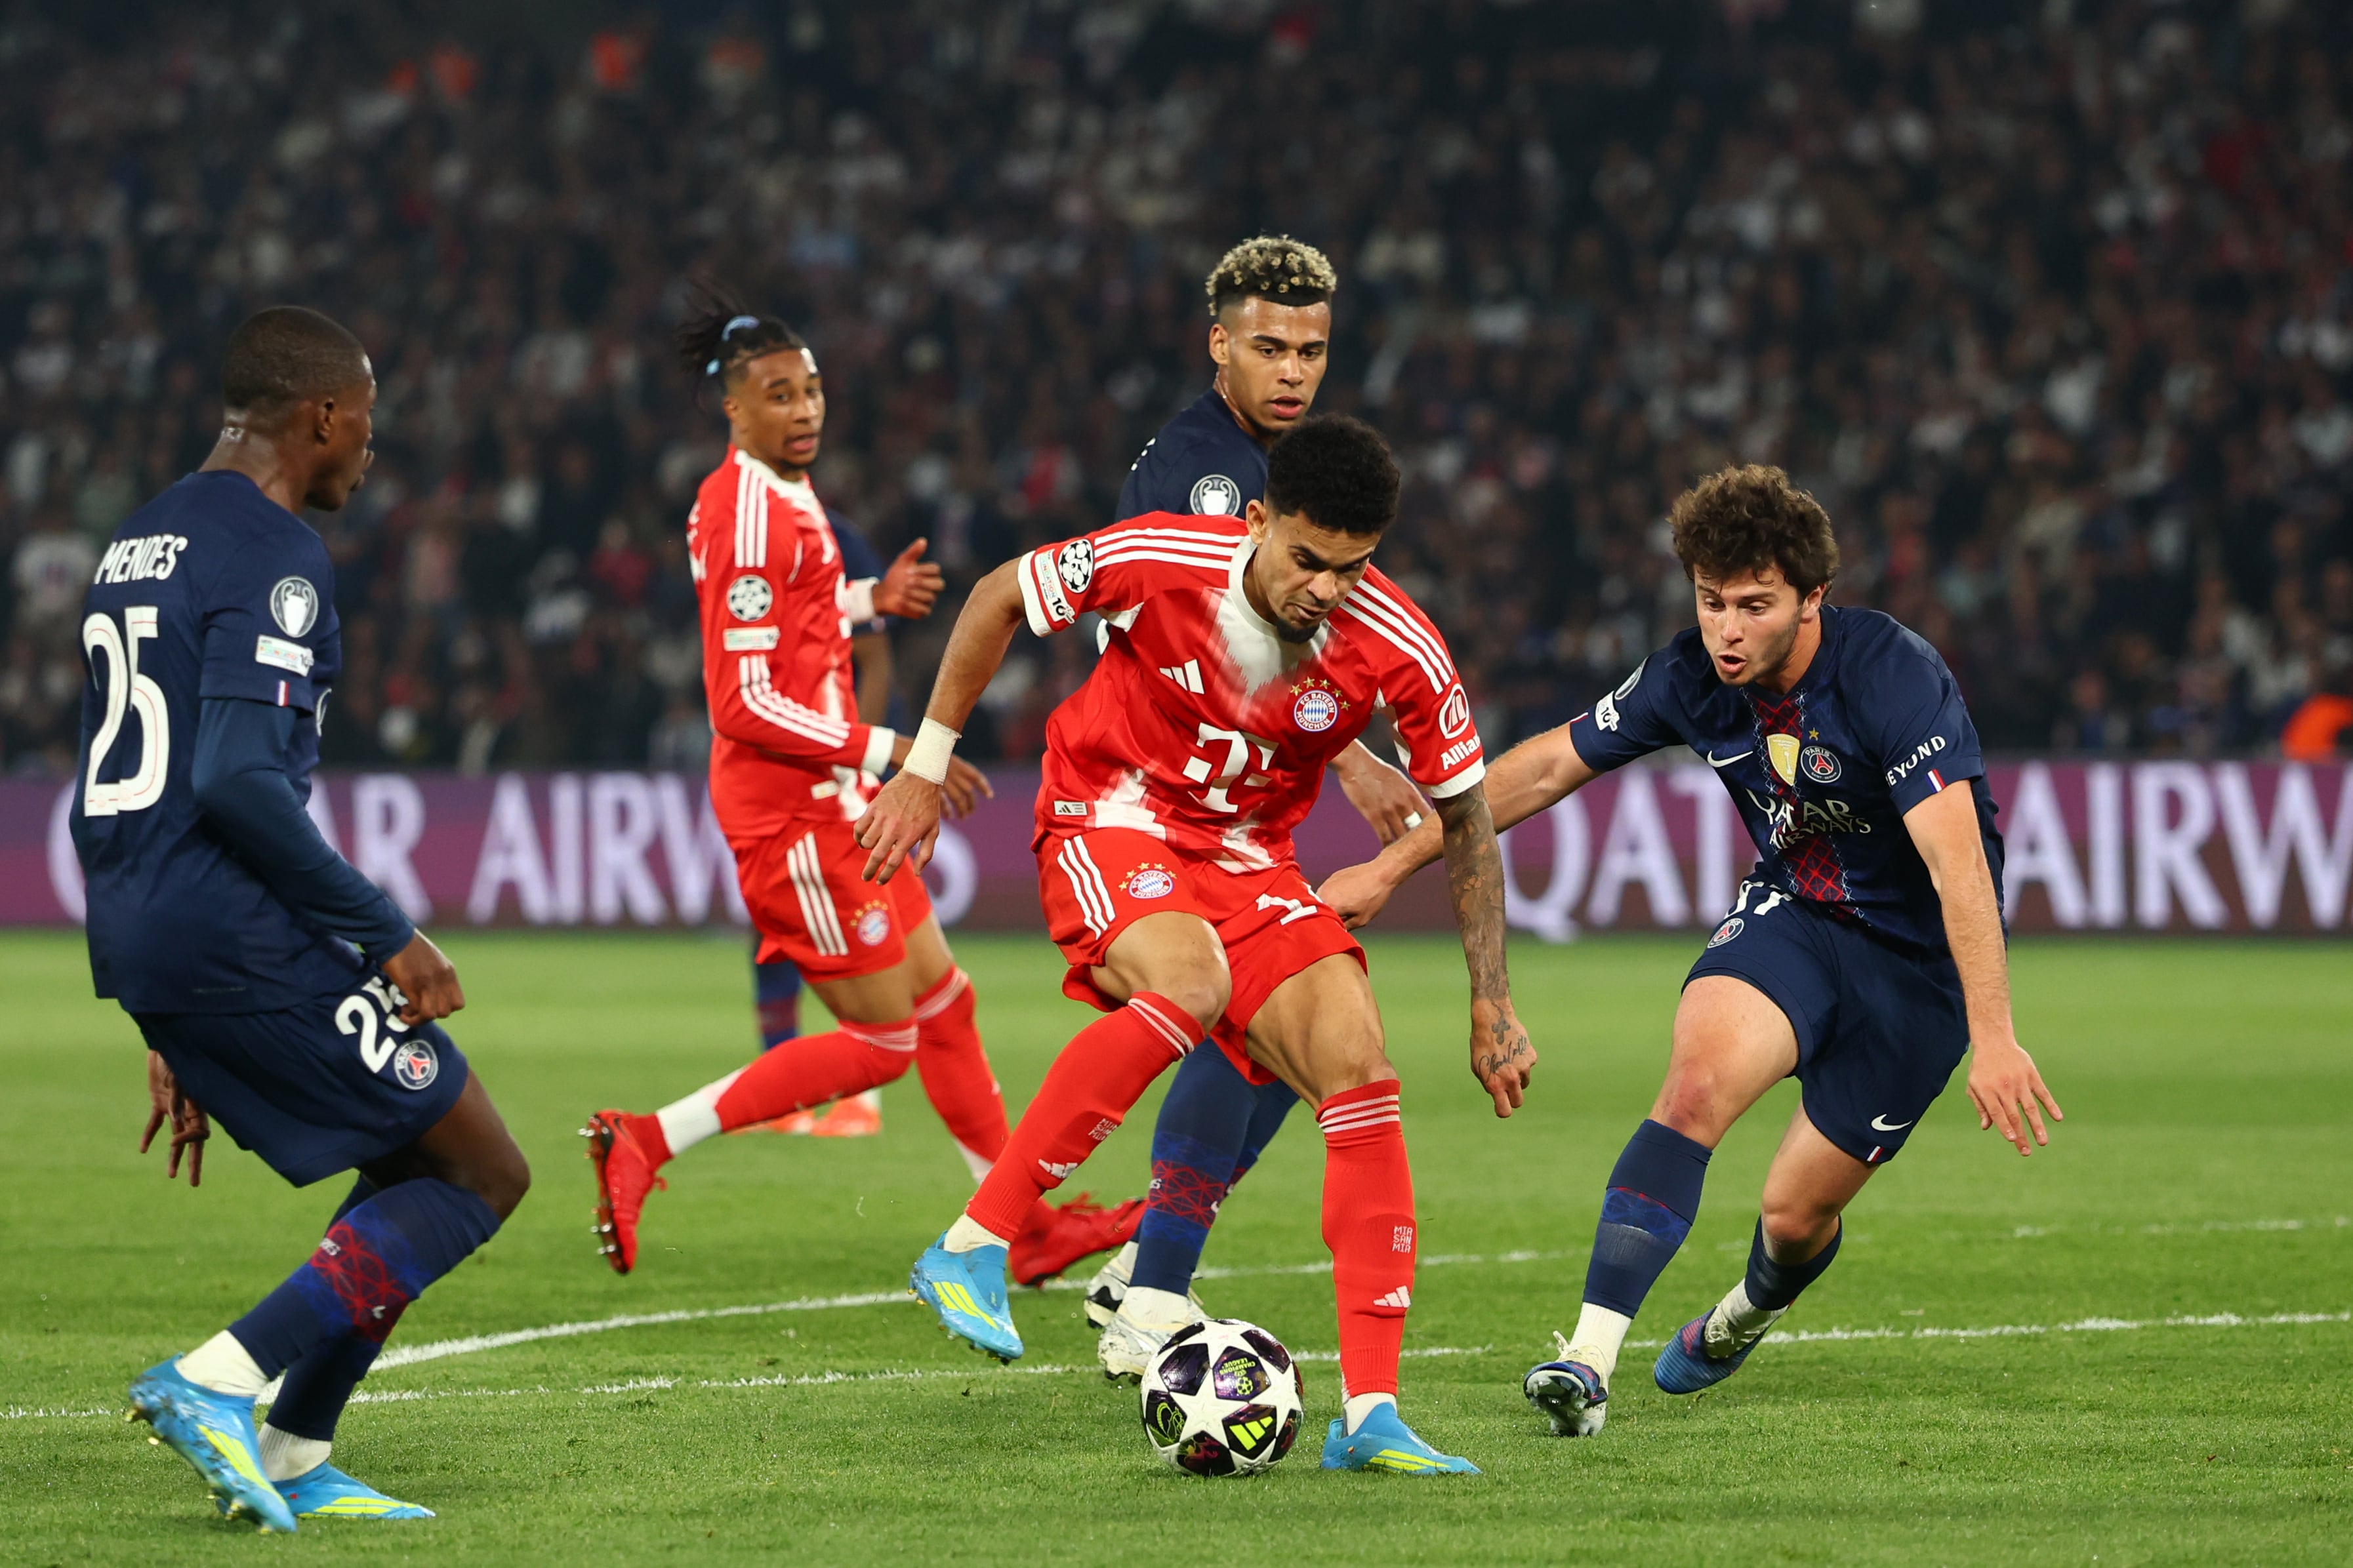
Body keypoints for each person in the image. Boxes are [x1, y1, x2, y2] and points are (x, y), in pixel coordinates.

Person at [1319, 464, 2062, 1439]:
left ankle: (1742, 1312)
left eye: (1754, 606)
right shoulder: (1688, 675)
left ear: (1812, 601)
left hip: (1915, 973)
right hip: (1795, 918)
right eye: (1712, 602)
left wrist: (1995, 1032)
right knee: (1693, 1084)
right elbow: (1541, 767)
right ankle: (1585, 1359)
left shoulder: (1892, 673)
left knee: (1794, 1216)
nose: (1727, 629)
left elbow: (1958, 863)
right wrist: (1395, 864)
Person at [858, 414, 1537, 1476]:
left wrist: (1489, 996)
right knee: (1191, 981)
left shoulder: (1399, 644)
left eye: (1349, 569)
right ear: (1259, 520)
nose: (1323, 588)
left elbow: (1465, 821)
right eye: (1306, 559)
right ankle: (970, 1247)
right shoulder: (1164, 557)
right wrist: (921, 762)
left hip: (1247, 857)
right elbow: (996, 594)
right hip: (1108, 809)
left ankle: (1370, 1416)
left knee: (1359, 1062)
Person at [581, 290, 1139, 1285]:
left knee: (947, 1003)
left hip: (829, 801)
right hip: (792, 815)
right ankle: (645, 1137)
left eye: (812, 390)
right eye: (778, 394)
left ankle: (1021, 1227)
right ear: (734, 411)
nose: (804, 409)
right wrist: (887, 746)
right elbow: (742, 701)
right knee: (884, 1041)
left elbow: (783, 619)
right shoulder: (750, 513)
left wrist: (858, 601)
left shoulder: (774, 500)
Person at [83, 306, 530, 1530]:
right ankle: (218, 1380)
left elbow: (122, 784)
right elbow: (233, 781)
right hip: (220, 921)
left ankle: (293, 1447)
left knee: (412, 1149)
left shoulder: (143, 539)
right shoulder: (274, 552)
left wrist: (159, 1012)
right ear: (321, 416)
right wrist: (390, 929)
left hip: (149, 922)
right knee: (484, 1169)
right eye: (367, 428)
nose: (369, 454)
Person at [1083, 235, 1431, 1375]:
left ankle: (1147, 1263)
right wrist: (1357, 760)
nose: (1293, 371)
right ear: (1218, 344)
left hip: (1221, 780)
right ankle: (1149, 1282)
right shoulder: (1213, 477)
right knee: (1266, 1012)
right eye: (1270, 346)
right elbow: (1230, 648)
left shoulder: (1273, 463)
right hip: (1171, 788)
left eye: (1314, 350)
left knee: (1289, 1033)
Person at [741, 476, 903, 1138]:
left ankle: (861, 1098)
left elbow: (875, 660)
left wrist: (860, 757)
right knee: (773, 917)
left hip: (839, 760)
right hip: (783, 761)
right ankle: (784, 1088)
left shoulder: (838, 539)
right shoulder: (747, 550)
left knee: (853, 911)